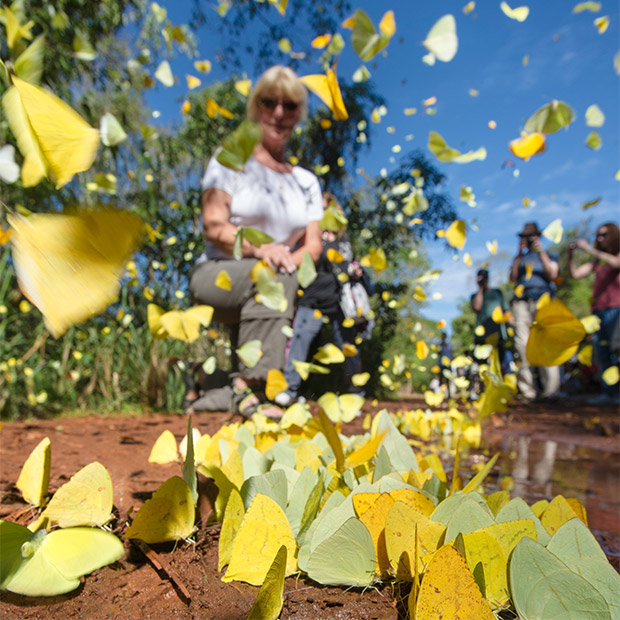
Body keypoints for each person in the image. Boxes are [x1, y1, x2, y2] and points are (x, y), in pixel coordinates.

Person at [189, 65, 323, 418]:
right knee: (272, 272)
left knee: (279, 273)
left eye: (290, 105)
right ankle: (254, 390)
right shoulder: (232, 158)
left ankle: (217, 387)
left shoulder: (307, 182)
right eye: (269, 102)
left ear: (299, 114)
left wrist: (289, 259)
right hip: (218, 276)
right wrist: (262, 249)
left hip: (276, 279)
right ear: (255, 107)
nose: (278, 112)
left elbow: (313, 245)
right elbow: (213, 225)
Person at [275, 193, 373, 406]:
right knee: (301, 342)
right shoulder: (306, 235)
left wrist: (354, 271)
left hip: (340, 301)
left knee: (347, 346)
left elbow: (344, 264)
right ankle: (291, 390)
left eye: (326, 209)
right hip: (311, 298)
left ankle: (355, 391)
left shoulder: (342, 240)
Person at [567, 222, 620, 402]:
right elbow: (575, 274)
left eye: (604, 235)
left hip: (617, 309)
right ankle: (609, 393)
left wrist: (588, 248)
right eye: (598, 235)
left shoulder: (614, 255)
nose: (599, 238)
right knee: (602, 352)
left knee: (617, 349)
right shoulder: (597, 261)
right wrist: (570, 255)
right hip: (598, 312)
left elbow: (616, 263)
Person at [509, 222, 560, 401]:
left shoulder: (549, 254)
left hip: (543, 300)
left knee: (547, 344)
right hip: (522, 301)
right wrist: (518, 253)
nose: (528, 240)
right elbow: (512, 278)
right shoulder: (520, 258)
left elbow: (553, 275)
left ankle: (551, 391)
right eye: (525, 237)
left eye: (531, 237)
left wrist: (541, 251)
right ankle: (527, 391)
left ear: (538, 236)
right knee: (522, 344)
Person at [471, 268, 511, 371]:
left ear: (488, 278)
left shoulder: (497, 293)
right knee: (483, 368)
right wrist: (480, 288)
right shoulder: (474, 296)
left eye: (484, 277)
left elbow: (507, 312)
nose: (483, 279)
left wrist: (513, 328)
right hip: (481, 337)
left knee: (500, 365)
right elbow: (477, 307)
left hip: (498, 335)